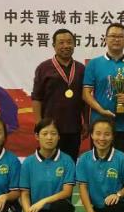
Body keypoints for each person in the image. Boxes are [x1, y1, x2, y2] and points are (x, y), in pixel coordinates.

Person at [19, 119, 77, 212]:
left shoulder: (67, 160)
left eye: (53, 133)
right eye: (45, 133)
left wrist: (44, 201)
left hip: (58, 208)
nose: (49, 137)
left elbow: (67, 192)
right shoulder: (28, 163)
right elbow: (24, 194)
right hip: (38, 211)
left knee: (62, 206)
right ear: (37, 136)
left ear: (59, 136)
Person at [83, 23, 124, 157]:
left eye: (120, 36)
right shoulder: (94, 64)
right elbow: (86, 94)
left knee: (122, 163)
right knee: (98, 163)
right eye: (113, 36)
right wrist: (101, 111)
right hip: (100, 126)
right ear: (105, 39)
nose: (116, 39)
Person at [31, 28, 86, 161]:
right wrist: (39, 124)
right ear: (54, 45)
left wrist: (86, 122)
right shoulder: (43, 68)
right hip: (50, 128)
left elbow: (85, 99)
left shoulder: (81, 69)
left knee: (70, 162)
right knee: (49, 163)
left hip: (73, 127)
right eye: (61, 42)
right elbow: (36, 98)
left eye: (69, 42)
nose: (66, 46)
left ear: (74, 44)